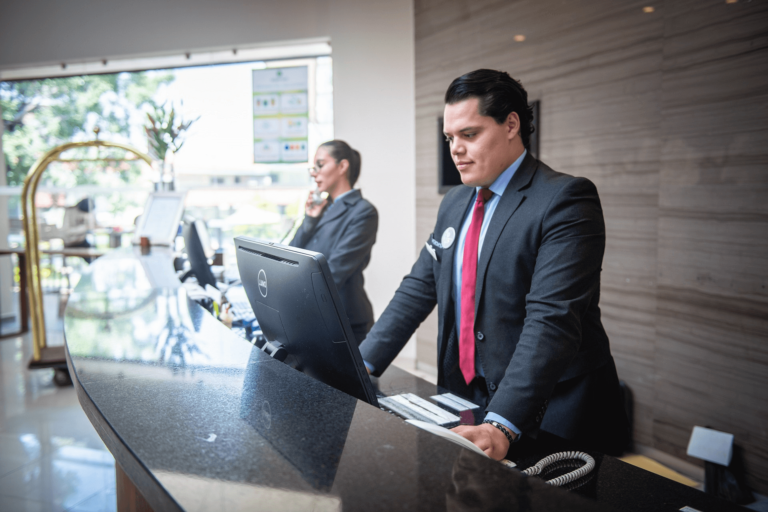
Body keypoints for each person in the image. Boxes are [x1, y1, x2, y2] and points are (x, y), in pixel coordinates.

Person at [360, 70, 629, 459]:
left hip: (554, 409)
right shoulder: (455, 202)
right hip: (470, 399)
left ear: (511, 125)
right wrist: (362, 364)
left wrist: (503, 421)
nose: (455, 149)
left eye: (469, 134)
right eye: (450, 138)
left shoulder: (565, 200)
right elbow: (419, 287)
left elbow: (552, 319)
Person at [290, 140, 378, 345]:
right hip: (315, 317)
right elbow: (291, 254)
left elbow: (335, 270)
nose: (314, 173)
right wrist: (310, 220)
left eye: (320, 165)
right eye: (314, 168)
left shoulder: (363, 212)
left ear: (342, 166)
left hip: (344, 320)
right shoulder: (321, 208)